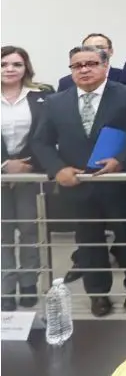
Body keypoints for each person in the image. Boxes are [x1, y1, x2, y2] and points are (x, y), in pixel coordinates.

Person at [32, 46, 126, 317]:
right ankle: (98, 294)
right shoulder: (56, 102)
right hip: (78, 185)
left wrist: (121, 159)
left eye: (91, 63)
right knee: (89, 242)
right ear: (71, 70)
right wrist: (57, 168)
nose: (84, 70)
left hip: (120, 183)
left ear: (105, 66)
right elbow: (41, 142)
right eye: (77, 65)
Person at [1, 46, 52, 311]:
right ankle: (6, 287)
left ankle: (29, 282)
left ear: (26, 68)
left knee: (30, 230)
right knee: (3, 234)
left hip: (31, 172)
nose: (10, 69)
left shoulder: (41, 95)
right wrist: (4, 165)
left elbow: (47, 133)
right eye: (4, 64)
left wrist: (24, 166)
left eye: (16, 64)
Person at [57, 33, 126, 90]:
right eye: (88, 48)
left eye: (100, 47)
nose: (95, 51)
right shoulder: (66, 82)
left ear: (111, 51)